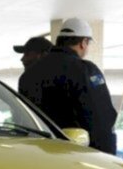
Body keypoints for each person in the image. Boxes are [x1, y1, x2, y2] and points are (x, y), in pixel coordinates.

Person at [19, 18, 117, 154]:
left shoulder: (28, 76)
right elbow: (102, 118)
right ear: (83, 43)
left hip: (39, 155)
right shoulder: (85, 70)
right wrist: (108, 157)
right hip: (76, 156)